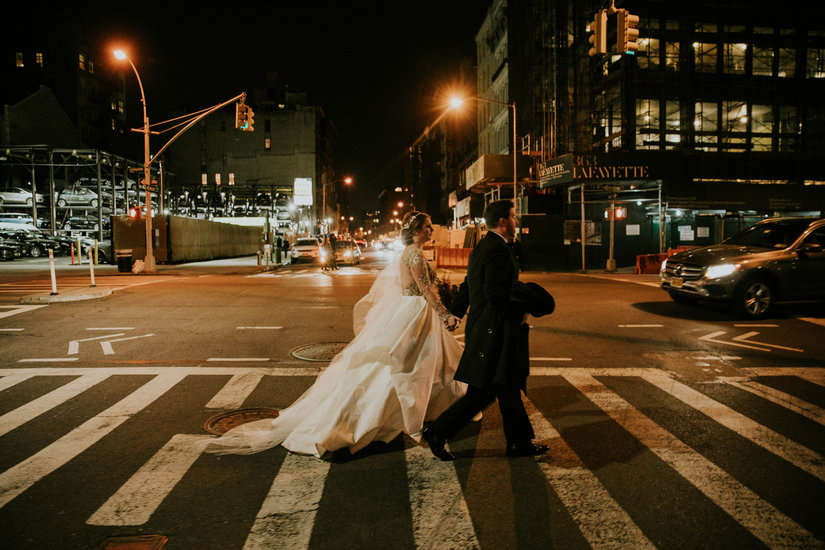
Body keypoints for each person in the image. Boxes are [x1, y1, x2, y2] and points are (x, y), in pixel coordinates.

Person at [205, 211, 465, 458]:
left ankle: (429, 408)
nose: (431, 230)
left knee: (420, 363)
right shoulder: (414, 255)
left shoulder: (410, 252)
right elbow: (425, 291)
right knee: (406, 366)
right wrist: (445, 315)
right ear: (417, 231)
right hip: (415, 312)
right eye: (428, 226)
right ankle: (397, 413)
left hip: (412, 311)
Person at [422, 199, 549, 460]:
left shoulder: (483, 246)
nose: (516, 222)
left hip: (486, 328)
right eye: (513, 217)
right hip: (496, 332)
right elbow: (495, 293)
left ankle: (519, 443)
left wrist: (456, 313)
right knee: (485, 391)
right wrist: (521, 311)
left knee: (508, 386)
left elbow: (470, 284)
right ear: (503, 222)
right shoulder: (498, 250)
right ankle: (436, 431)